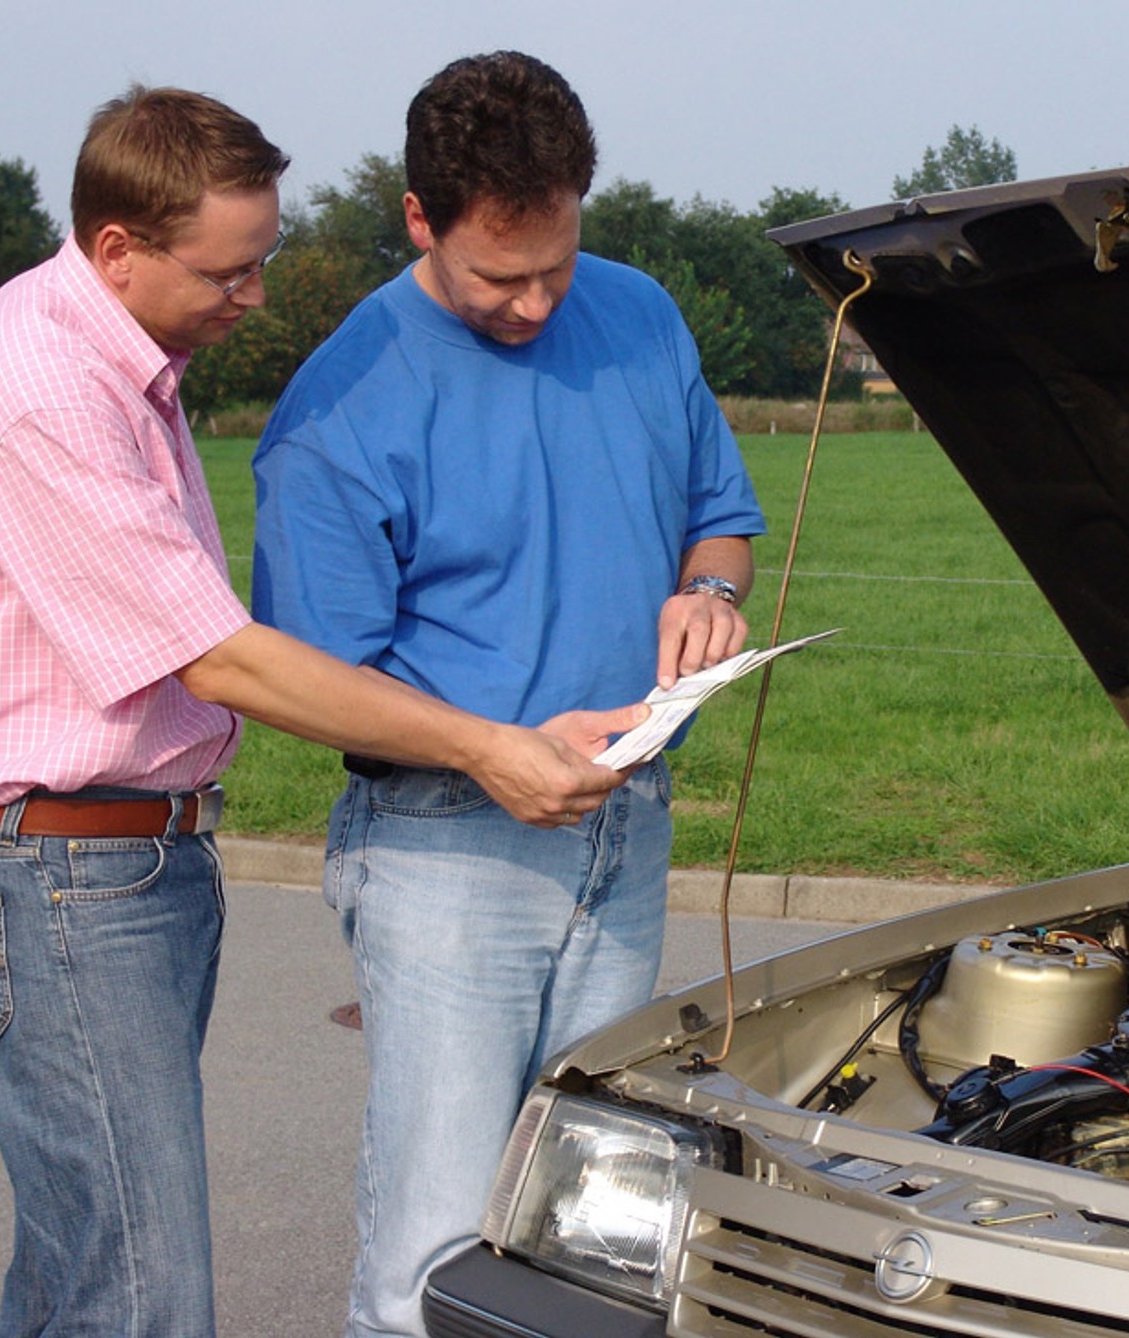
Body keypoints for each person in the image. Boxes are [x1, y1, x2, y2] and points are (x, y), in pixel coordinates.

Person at [0, 84, 641, 1338]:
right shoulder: (45, 392)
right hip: (63, 873)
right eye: (227, 271)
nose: (251, 294)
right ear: (119, 248)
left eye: (264, 258)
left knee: (88, 1265)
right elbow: (223, 660)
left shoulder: (117, 358)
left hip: (119, 863)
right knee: (139, 1295)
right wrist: (486, 747)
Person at [250, 50, 768, 1338]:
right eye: (498, 277)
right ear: (418, 219)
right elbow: (306, 684)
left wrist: (708, 588)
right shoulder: (342, 402)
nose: (537, 303)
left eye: (556, 264)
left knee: (595, 1218)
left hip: (625, 826)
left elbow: (720, 516)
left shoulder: (639, 312)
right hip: (443, 854)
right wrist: (491, 750)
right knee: (431, 1242)